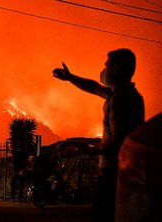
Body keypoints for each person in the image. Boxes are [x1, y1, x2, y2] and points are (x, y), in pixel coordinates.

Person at [52, 48, 145, 222]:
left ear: (116, 69)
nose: (103, 68)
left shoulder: (120, 101)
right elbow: (95, 87)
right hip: (122, 171)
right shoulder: (124, 95)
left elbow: (119, 140)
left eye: (107, 64)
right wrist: (70, 77)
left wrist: (85, 149)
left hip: (114, 173)